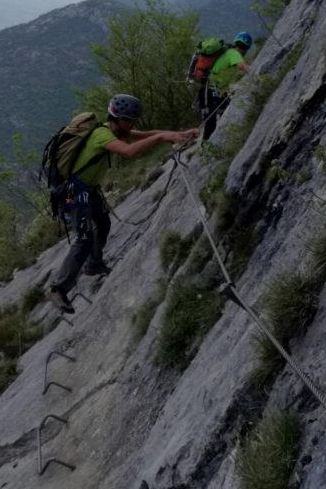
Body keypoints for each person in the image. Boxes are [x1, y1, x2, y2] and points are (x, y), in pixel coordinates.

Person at [46, 94, 198, 313]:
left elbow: (144, 135)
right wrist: (161, 138)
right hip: (73, 193)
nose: (132, 125)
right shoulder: (102, 134)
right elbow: (128, 152)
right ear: (116, 118)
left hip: (86, 190)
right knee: (85, 237)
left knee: (103, 222)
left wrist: (176, 135)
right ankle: (57, 288)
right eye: (129, 120)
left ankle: (94, 265)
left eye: (132, 121)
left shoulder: (116, 130)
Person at [200, 31, 253, 141]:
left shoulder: (229, 52)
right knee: (211, 123)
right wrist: (258, 73)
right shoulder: (234, 53)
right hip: (211, 91)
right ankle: (206, 149)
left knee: (225, 116)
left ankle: (227, 141)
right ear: (246, 48)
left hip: (214, 90)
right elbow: (242, 66)